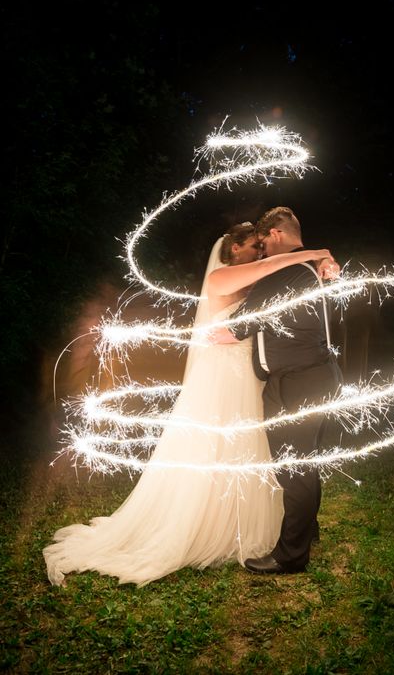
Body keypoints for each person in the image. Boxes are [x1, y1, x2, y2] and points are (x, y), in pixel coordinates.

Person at [43, 222, 335, 587]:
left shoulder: (254, 280)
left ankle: (286, 527)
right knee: (220, 449)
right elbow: (267, 271)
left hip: (249, 376)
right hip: (223, 380)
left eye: (262, 246)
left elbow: (274, 294)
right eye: (253, 247)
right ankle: (220, 524)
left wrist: (322, 260)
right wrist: (314, 252)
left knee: (264, 451)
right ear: (234, 250)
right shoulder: (221, 278)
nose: (260, 252)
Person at [212, 207, 342, 575]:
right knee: (304, 463)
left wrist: (230, 332)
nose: (262, 254)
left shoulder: (286, 268)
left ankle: (290, 556)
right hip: (314, 375)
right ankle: (306, 531)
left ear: (275, 235)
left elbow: (252, 313)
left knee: (292, 467)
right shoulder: (310, 269)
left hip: (298, 381)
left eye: (263, 244)